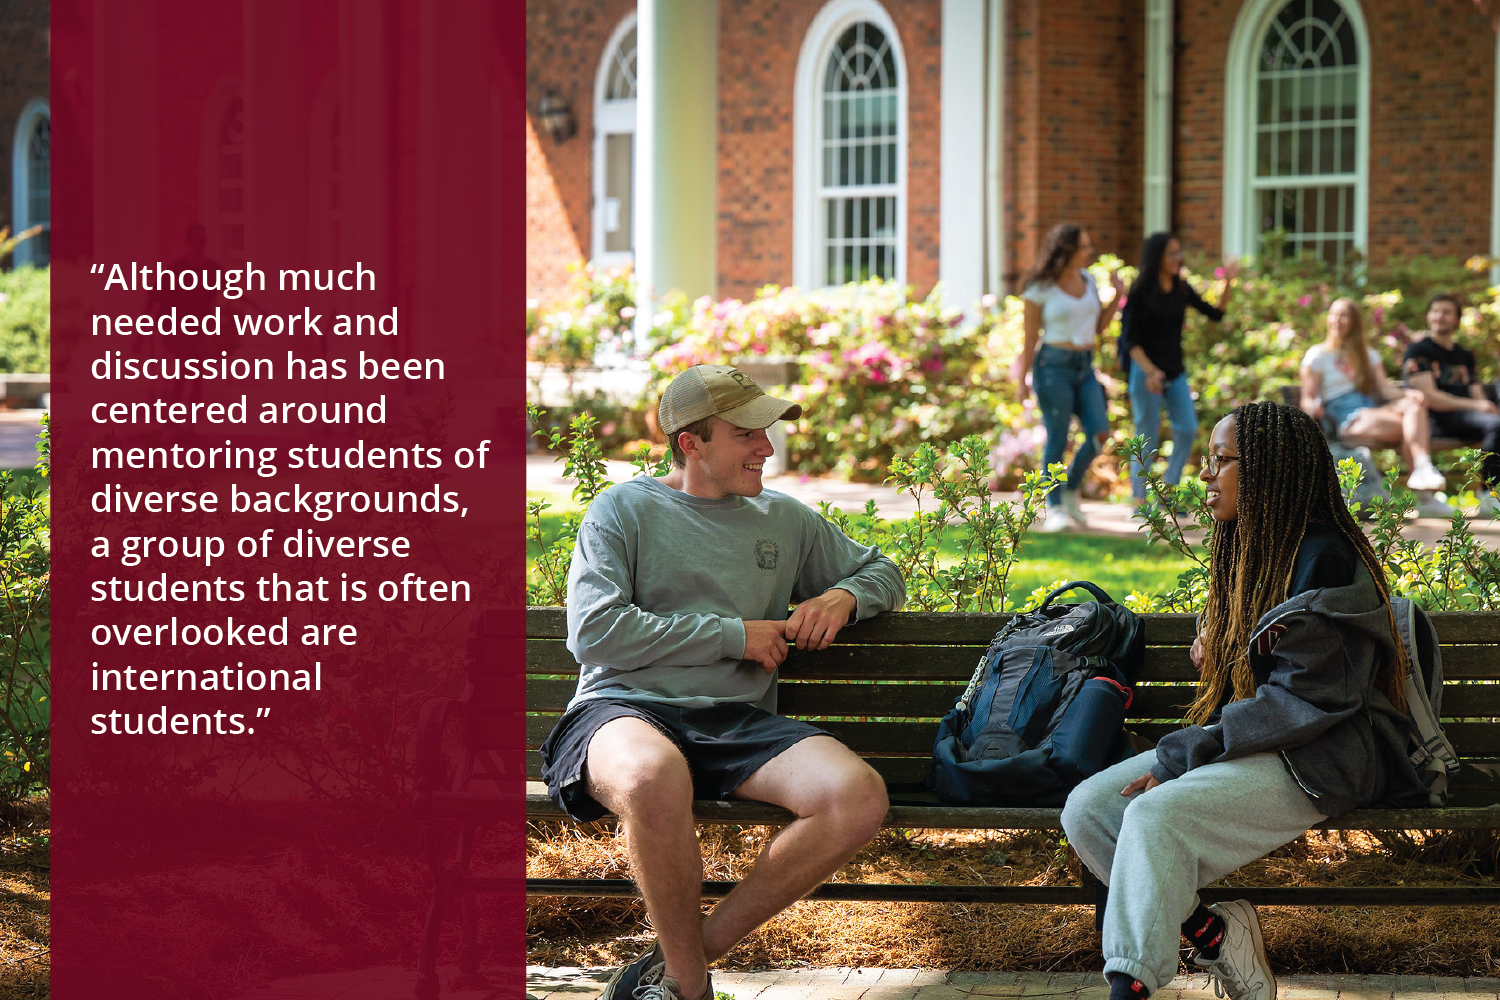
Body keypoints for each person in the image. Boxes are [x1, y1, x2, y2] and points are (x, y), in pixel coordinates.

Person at [541, 364, 907, 1000]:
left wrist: (845, 596)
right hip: (622, 712)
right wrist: (731, 635)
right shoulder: (624, 509)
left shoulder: (783, 520)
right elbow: (595, 631)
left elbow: (882, 571)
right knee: (652, 777)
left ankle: (684, 954)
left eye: (766, 432)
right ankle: (689, 989)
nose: (766, 447)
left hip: (734, 721)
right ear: (692, 442)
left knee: (856, 796)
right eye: (746, 433)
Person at [1061, 401, 1430, 1000]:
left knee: (1154, 817)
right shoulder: (1255, 548)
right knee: (1090, 810)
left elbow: (1307, 699)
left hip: (1325, 757)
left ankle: (1127, 989)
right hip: (1268, 742)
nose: (1206, 475)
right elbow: (1264, 670)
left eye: (1222, 460)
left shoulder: (1325, 558)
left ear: (1268, 469)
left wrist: (1186, 753)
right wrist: (1226, 641)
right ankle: (1214, 932)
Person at [1016, 223, 1125, 532]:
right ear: (1067, 250)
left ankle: (1070, 489)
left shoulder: (1088, 281)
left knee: (1099, 433)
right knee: (1058, 435)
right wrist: (1021, 380)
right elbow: (1029, 338)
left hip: (1084, 366)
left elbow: (1098, 327)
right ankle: (1055, 507)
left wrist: (1118, 297)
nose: (1090, 252)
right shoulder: (1040, 288)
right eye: (1084, 247)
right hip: (1053, 366)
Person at [1120, 233, 1237, 504]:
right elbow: (1130, 341)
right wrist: (1150, 371)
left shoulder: (1181, 288)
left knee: (1186, 429)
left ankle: (1167, 495)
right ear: (1157, 257)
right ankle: (1139, 503)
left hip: (1175, 371)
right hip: (1146, 372)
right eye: (1172, 253)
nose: (1178, 258)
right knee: (1145, 439)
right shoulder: (1140, 291)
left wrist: (1229, 281)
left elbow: (1215, 313)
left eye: (1178, 252)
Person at [1300, 298, 1446, 492]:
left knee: (1413, 408)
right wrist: (1311, 407)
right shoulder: (1317, 355)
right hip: (1343, 418)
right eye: (1333, 314)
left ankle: (1422, 474)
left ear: (1354, 322)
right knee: (1413, 427)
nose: (1336, 319)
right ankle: (1424, 485)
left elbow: (1385, 390)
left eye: (1343, 315)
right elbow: (1306, 398)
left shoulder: (1368, 355)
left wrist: (1408, 394)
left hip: (1368, 410)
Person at [1402, 293, 1500, 516]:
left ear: (1456, 319)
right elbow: (1429, 396)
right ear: (1428, 317)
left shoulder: (1464, 355)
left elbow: (1475, 390)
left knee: (1496, 423)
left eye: (1446, 312)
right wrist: (1476, 407)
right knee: (1495, 426)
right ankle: (1488, 496)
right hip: (1434, 419)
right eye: (1435, 311)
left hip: (1464, 417)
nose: (1440, 316)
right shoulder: (1418, 351)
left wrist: (1484, 405)